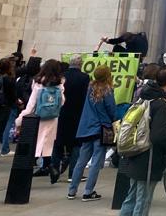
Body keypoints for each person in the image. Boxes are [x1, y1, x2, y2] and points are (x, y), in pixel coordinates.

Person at [119, 65, 166, 216]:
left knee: (131, 197)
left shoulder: (144, 95)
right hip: (150, 158)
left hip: (136, 152)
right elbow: (157, 136)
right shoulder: (161, 104)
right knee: (143, 200)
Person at [66, 65, 116, 201]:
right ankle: (88, 191)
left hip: (87, 127)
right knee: (96, 162)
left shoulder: (90, 88)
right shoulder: (108, 90)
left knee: (81, 160)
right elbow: (112, 110)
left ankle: (72, 190)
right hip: (101, 127)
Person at [16, 59, 65, 177]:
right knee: (48, 144)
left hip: (39, 117)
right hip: (53, 118)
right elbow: (62, 102)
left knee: (35, 144)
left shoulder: (38, 83)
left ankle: (27, 170)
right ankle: (50, 166)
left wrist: (19, 120)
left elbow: (31, 104)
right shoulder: (60, 84)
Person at [51, 54, 91, 183]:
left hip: (61, 113)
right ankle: (72, 173)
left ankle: (54, 168)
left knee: (58, 142)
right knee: (76, 145)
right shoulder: (84, 77)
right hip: (77, 114)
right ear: (81, 64)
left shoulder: (62, 77)